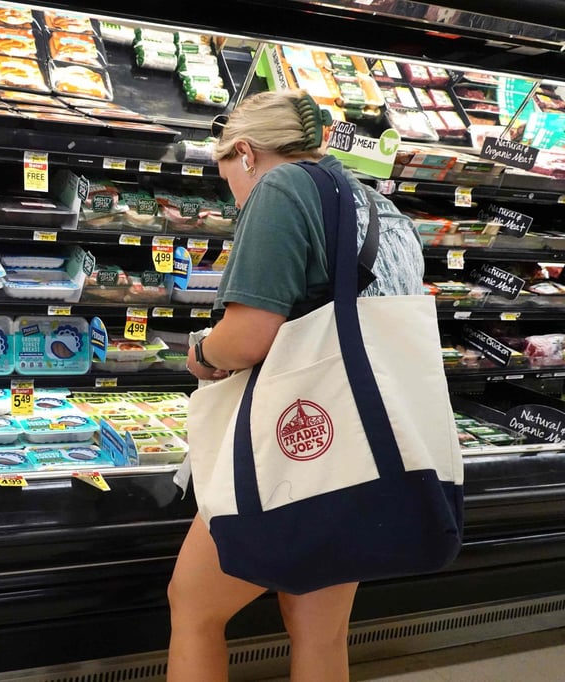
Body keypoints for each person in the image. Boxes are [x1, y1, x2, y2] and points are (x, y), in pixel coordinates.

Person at [168, 89, 425, 681]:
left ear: (247, 153)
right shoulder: (382, 210)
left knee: (194, 609)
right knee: (321, 633)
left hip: (287, 450)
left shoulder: (281, 189)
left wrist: (201, 356)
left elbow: (249, 335)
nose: (230, 187)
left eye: (224, 169)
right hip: (357, 453)